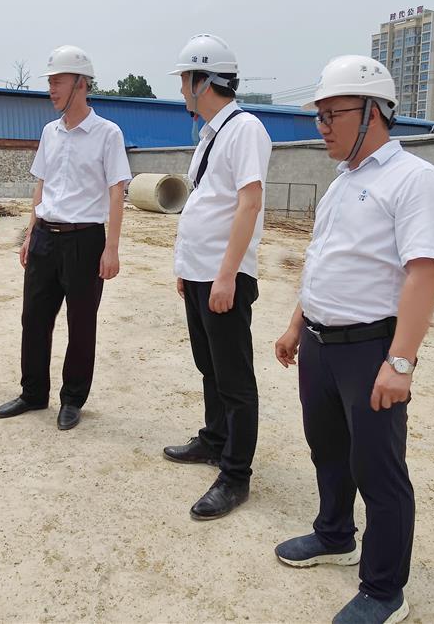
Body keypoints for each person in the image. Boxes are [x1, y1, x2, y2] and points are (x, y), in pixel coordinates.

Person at [272, 55, 434, 624]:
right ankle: (334, 534)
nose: (322, 127)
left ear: (373, 111)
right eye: (319, 116)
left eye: (332, 115)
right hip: (321, 345)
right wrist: (297, 323)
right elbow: (324, 261)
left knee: (378, 469)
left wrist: (401, 361)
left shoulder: (415, 180)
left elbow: (423, 272)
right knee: (327, 449)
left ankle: (384, 589)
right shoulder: (343, 182)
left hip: (371, 349)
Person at [160, 34, 271, 520]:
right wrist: (187, 268)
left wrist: (227, 275)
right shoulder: (211, 134)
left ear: (203, 81)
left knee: (234, 377)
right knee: (209, 366)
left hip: (224, 275)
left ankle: (235, 475)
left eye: (185, 79)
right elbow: (207, 203)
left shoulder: (245, 129)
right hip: (200, 272)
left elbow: (249, 203)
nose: (181, 88)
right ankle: (214, 438)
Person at [0, 45, 131, 430]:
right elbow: (42, 185)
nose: (51, 89)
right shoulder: (49, 132)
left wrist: (112, 248)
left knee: (81, 324)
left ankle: (72, 399)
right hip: (45, 239)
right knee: (34, 319)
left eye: (58, 81)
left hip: (85, 240)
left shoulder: (107, 134)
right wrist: (29, 233)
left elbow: (117, 191)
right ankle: (33, 393)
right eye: (50, 82)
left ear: (81, 84)